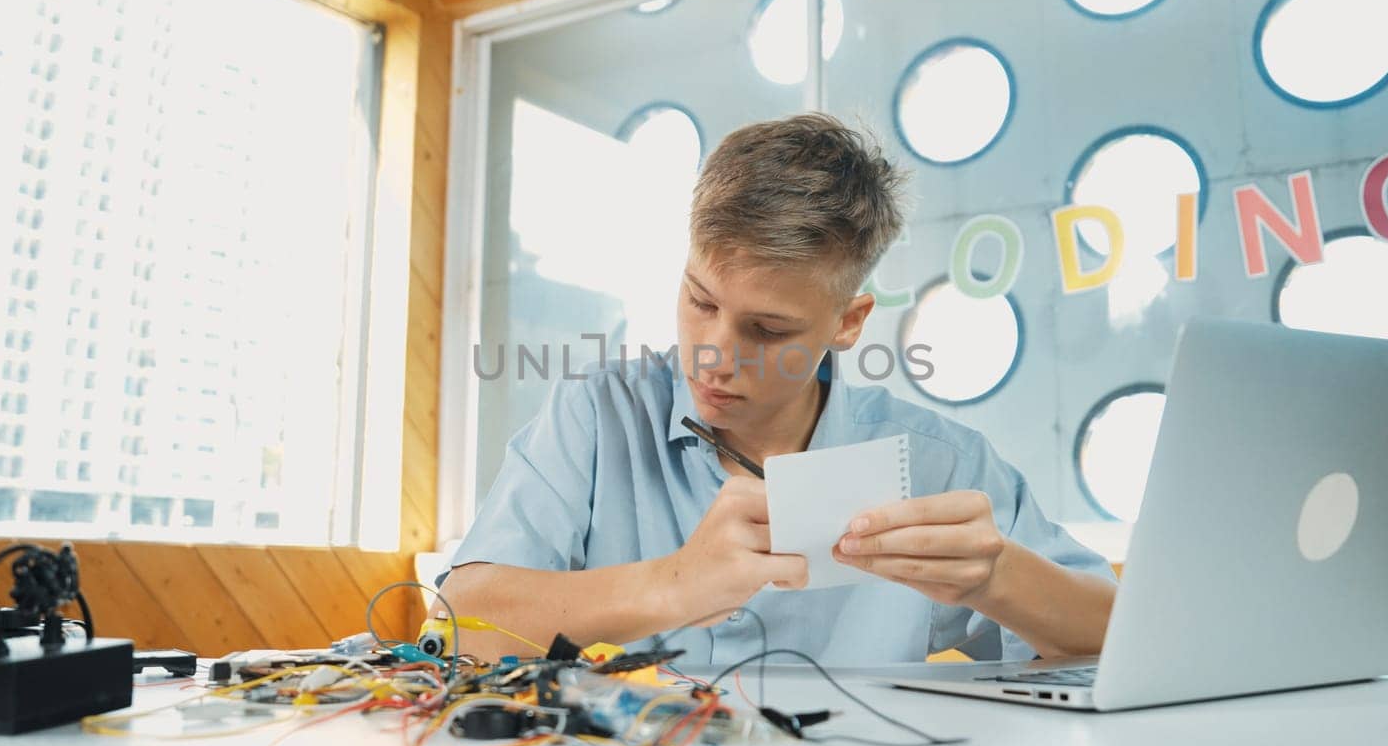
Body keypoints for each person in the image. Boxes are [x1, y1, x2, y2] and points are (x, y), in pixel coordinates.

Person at [437, 113, 1116, 665]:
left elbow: (1116, 635)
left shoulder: (940, 465)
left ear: (847, 323)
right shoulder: (596, 415)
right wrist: (670, 585)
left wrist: (998, 578)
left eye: (765, 329)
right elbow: (459, 622)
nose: (712, 356)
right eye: (700, 300)